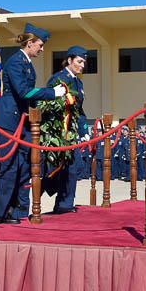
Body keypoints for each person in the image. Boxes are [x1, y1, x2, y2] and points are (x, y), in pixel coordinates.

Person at [0, 23, 65, 223]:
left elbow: (29, 95)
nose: (42, 50)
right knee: (10, 167)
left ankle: (18, 211)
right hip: (10, 118)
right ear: (30, 43)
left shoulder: (26, 63)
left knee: (27, 165)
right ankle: (0, 213)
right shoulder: (16, 62)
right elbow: (24, 92)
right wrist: (52, 93)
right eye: (40, 45)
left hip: (23, 119)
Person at [43, 45, 90, 214]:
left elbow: (80, 110)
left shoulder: (78, 82)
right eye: (79, 61)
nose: (82, 65)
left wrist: (84, 131)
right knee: (69, 167)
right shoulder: (57, 79)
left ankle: (63, 202)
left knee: (74, 167)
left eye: (84, 62)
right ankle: (58, 198)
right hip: (57, 131)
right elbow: (48, 104)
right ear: (69, 60)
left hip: (71, 131)